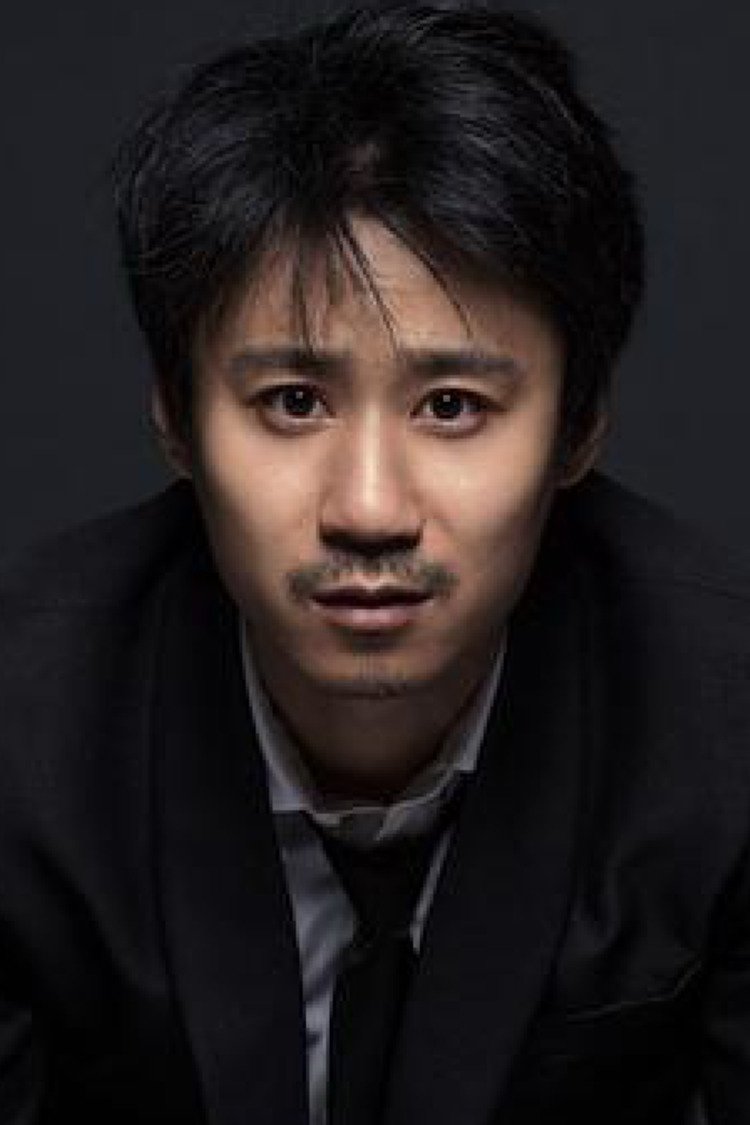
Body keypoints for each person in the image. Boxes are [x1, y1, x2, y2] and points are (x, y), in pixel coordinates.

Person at [0, 2, 747, 1122]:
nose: (368, 509)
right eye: (292, 401)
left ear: (579, 427)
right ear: (175, 419)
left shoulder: (725, 717)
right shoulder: (24, 726)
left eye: (452, 406)